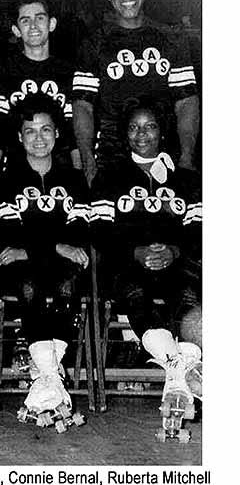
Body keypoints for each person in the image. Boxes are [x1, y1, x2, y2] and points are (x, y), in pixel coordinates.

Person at [90, 98, 202, 410]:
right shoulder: (108, 178)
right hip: (127, 265)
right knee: (137, 295)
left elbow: (200, 232)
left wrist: (175, 250)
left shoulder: (188, 180)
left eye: (150, 126)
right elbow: (98, 233)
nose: (142, 134)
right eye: (134, 127)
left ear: (162, 132)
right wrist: (135, 252)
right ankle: (181, 373)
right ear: (125, 134)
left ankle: (182, 374)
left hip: (177, 265)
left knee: (190, 299)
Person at [0, 94, 91, 425]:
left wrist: (40, 247)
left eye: (46, 130)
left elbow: (79, 230)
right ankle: (53, 377)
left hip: (56, 265)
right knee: (30, 283)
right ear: (19, 137)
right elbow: (8, 233)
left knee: (68, 281)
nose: (39, 138)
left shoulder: (75, 180)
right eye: (30, 131)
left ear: (57, 134)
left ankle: (45, 379)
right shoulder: (6, 181)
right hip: (20, 269)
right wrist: (55, 246)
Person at [72, 0, 199, 184]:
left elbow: (186, 101)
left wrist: (187, 156)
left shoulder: (171, 39)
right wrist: (88, 160)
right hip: (111, 156)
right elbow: (83, 106)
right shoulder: (94, 43)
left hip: (164, 153)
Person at [0, 0, 77, 181]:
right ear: (16, 30)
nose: (34, 26)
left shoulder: (69, 72)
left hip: (61, 172)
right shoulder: (1, 71)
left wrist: (79, 178)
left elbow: (73, 134)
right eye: (26, 21)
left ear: (52, 24)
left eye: (40, 18)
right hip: (14, 173)